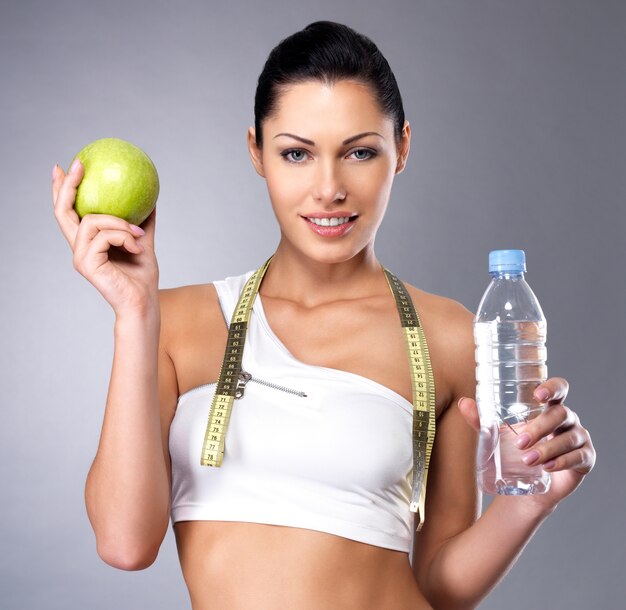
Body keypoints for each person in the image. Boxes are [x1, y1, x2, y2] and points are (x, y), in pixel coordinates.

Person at [52, 20, 595, 610]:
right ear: (257, 151)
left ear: (403, 148)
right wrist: (133, 315)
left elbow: (439, 586)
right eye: (296, 153)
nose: (329, 188)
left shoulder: (448, 337)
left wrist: (531, 499)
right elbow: (123, 543)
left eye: (360, 151)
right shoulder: (171, 324)